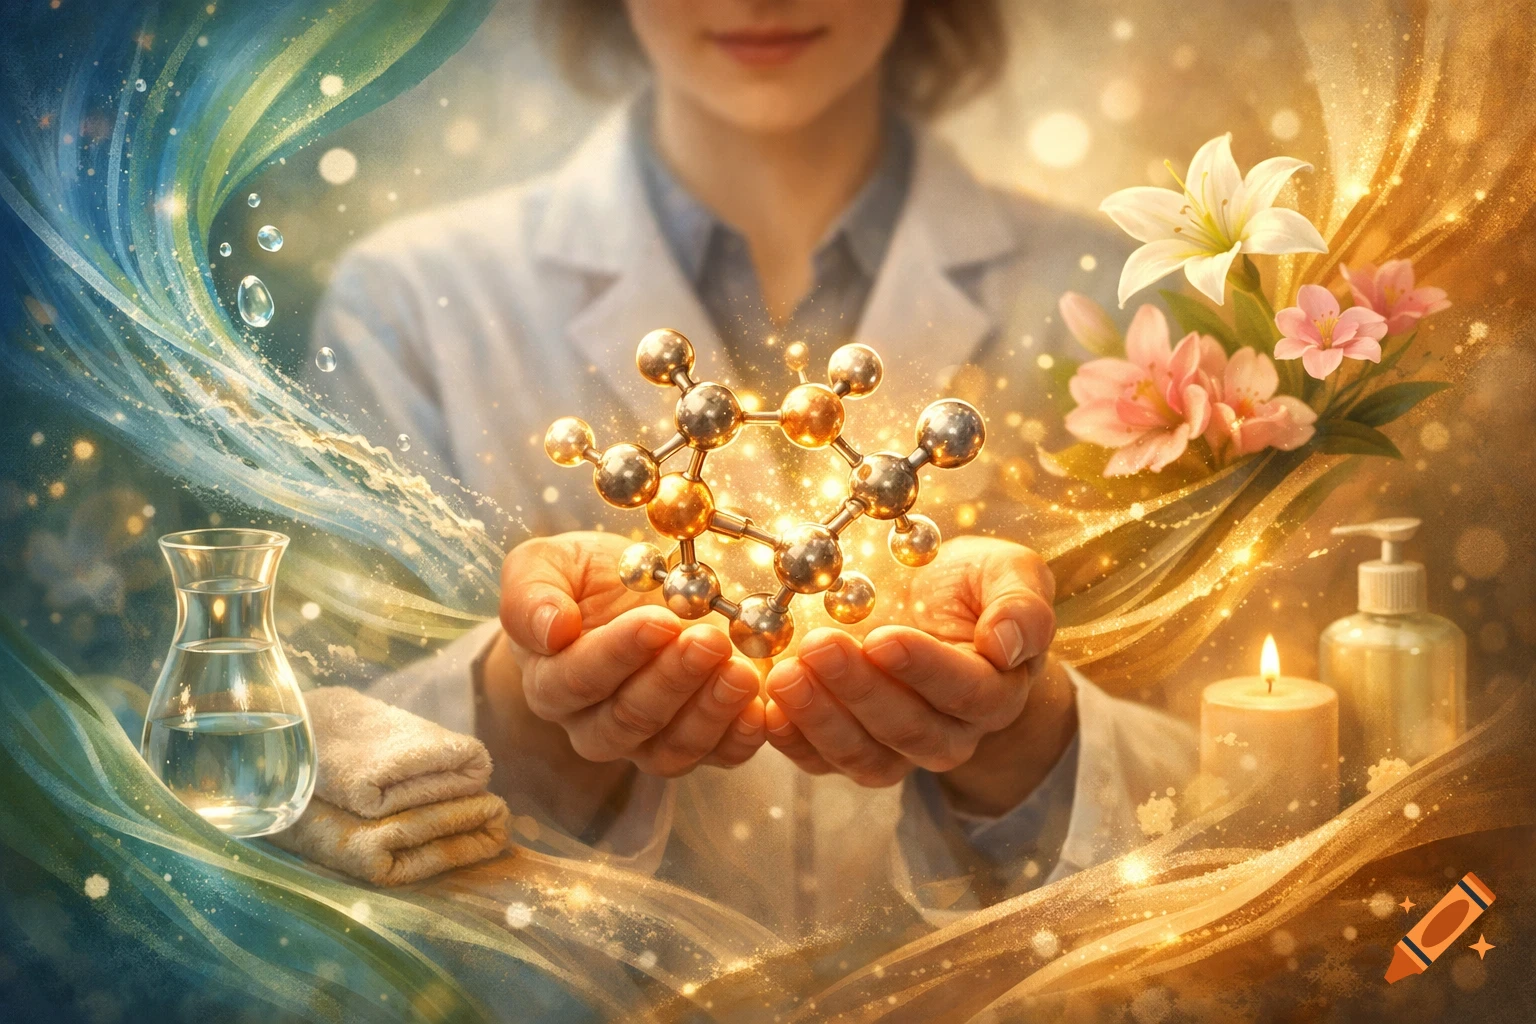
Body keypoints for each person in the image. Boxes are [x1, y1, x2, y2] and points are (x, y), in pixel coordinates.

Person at [313, 0, 1194, 937]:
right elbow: (301, 772)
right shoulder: (409, 303)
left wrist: (1031, 740)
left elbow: (1263, 778)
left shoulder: (1122, 302)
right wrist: (514, 717)